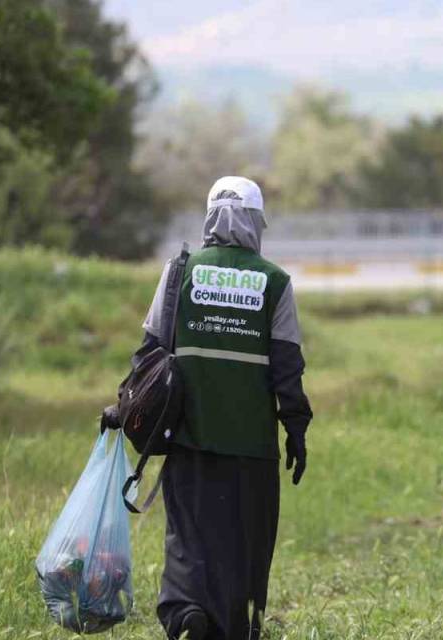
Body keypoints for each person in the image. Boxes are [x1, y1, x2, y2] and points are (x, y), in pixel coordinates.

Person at [142, 176, 313, 639]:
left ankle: (186, 611)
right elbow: (286, 367)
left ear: (209, 217)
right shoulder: (275, 282)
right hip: (251, 444)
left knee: (188, 532)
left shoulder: (180, 272)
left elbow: (149, 350)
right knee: (245, 537)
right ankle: (235, 623)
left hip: (188, 435)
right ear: (257, 222)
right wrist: (295, 428)